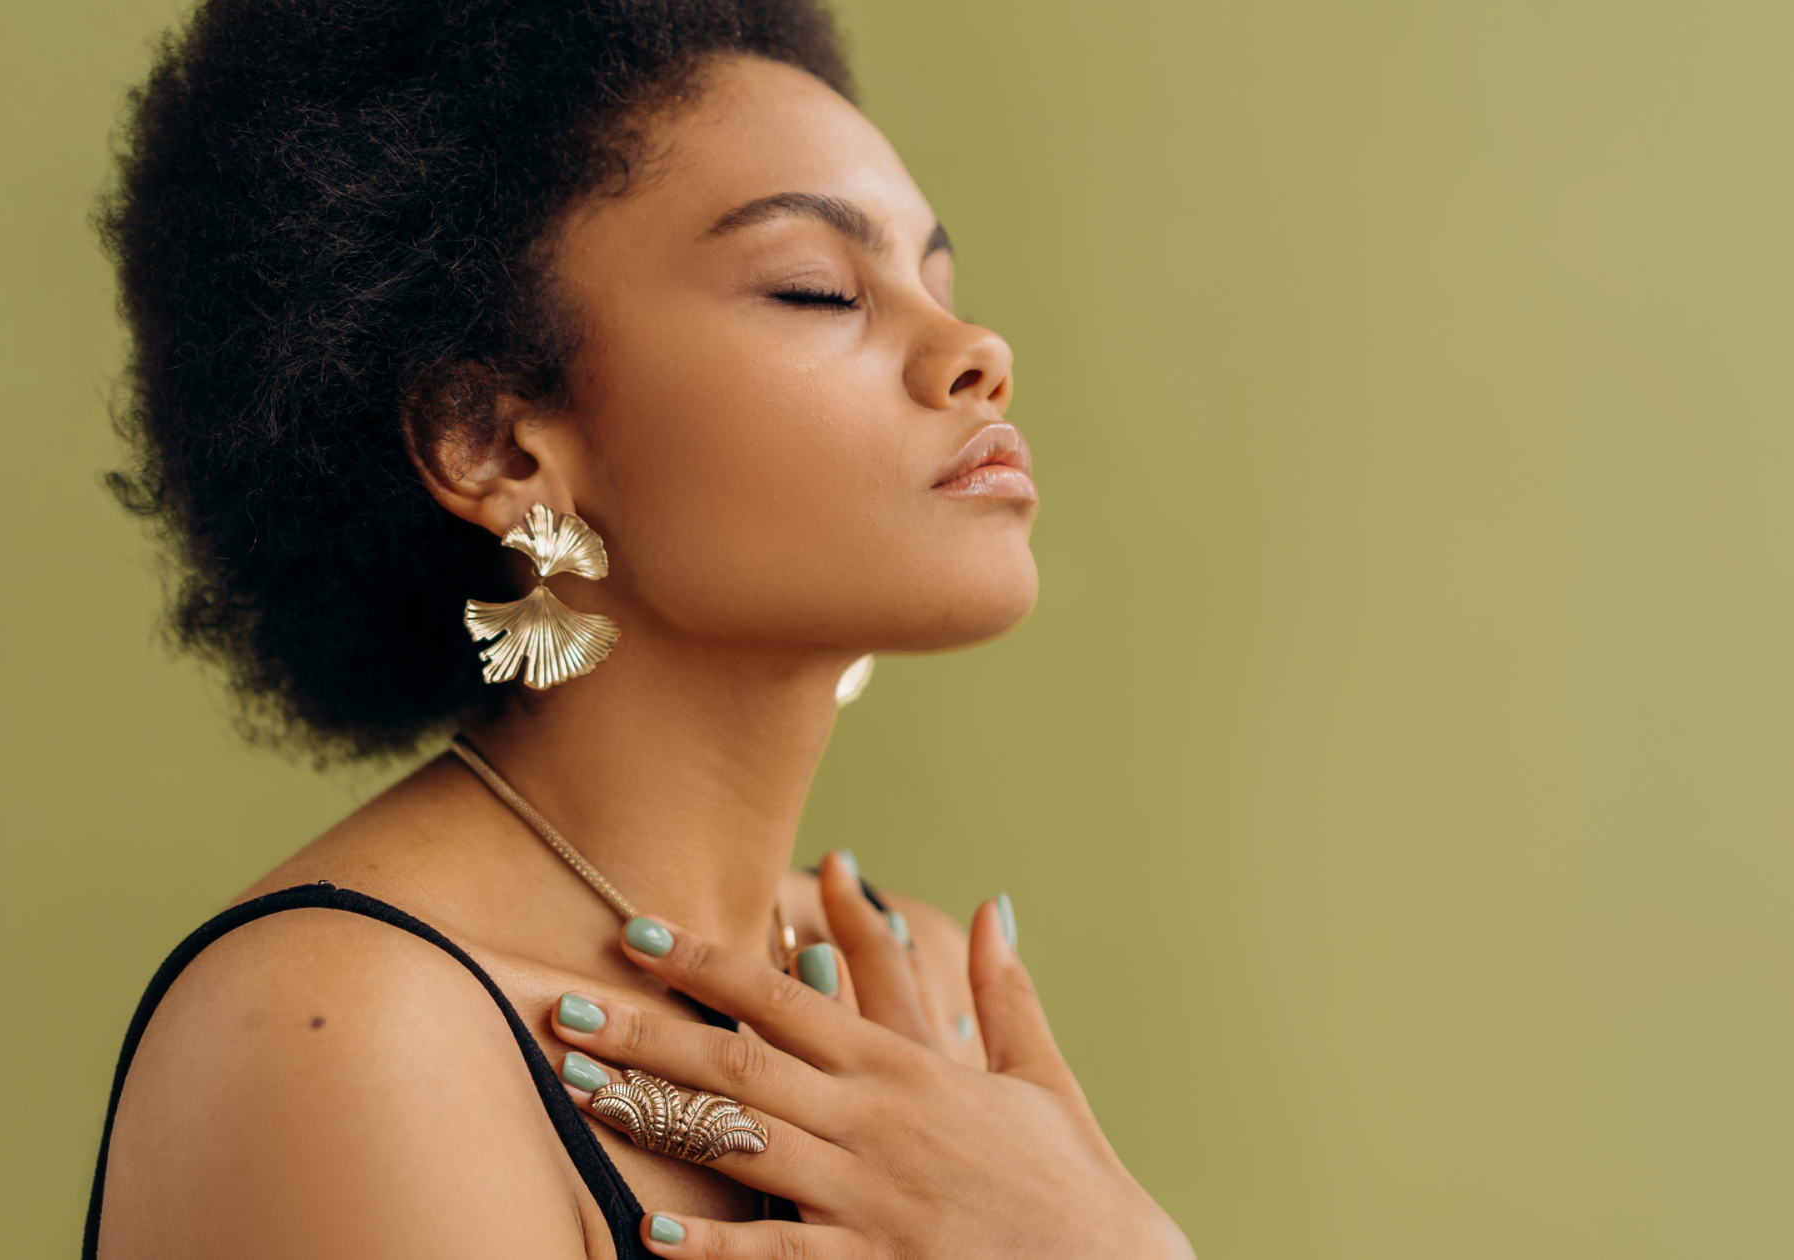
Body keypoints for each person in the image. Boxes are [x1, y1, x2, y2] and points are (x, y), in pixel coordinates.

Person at [87, 1, 1192, 1255]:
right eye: (816, 289)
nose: (972, 349)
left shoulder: (915, 990)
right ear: (494, 441)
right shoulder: (347, 1029)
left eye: (935, 281)